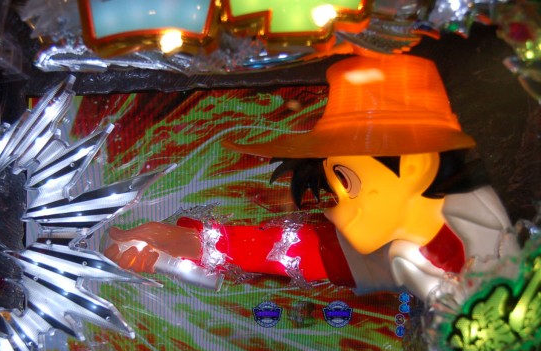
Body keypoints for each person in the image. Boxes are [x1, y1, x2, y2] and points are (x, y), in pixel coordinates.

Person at [105, 55, 516, 300]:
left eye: (348, 186)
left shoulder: (502, 247)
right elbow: (298, 249)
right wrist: (188, 243)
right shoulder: (403, 246)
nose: (338, 212)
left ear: (415, 166)